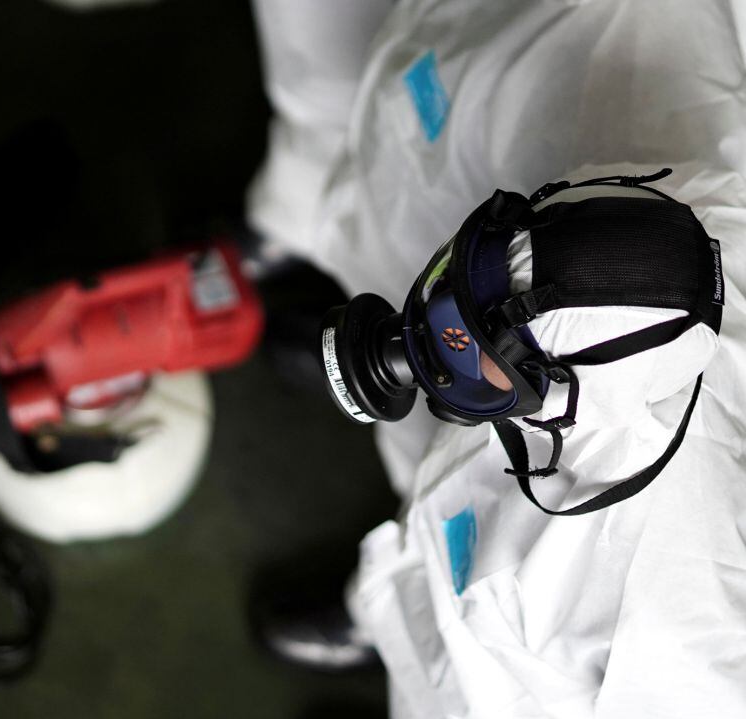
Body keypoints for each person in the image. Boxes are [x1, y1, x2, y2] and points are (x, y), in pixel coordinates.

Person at [247, 1, 746, 717]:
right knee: (442, 495)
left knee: (464, 671)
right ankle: (391, 603)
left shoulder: (680, 617)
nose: (420, 347)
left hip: (518, 684)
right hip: (519, 447)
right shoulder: (667, 216)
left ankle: (403, 636)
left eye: (451, 345)